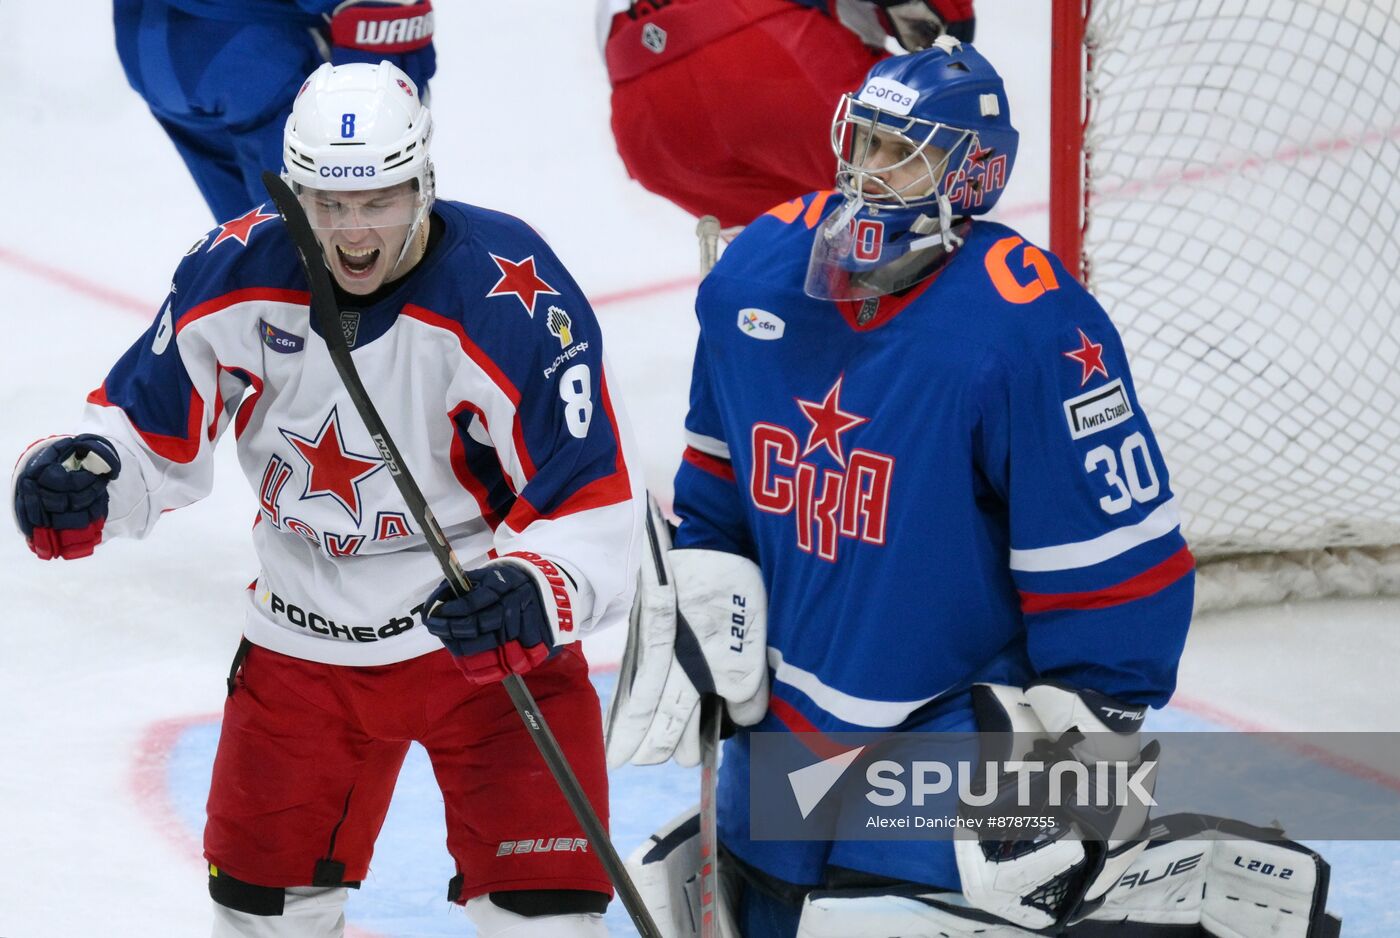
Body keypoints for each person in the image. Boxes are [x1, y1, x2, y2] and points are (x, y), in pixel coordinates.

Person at [12, 60, 643, 938]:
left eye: (379, 200)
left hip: (479, 643)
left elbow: (593, 497)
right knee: (262, 917)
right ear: (293, 190)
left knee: (547, 920)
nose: (352, 231)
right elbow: (144, 433)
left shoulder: (512, 292)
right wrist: (86, 472)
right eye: (327, 203)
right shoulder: (234, 268)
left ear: (424, 182)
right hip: (301, 646)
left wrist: (538, 585)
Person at [605, 38, 1201, 937]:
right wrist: (703, 581)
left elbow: (1117, 566)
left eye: (903, 153)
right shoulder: (755, 276)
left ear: (972, 175)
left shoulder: (1027, 326)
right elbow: (716, 488)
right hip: (783, 728)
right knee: (750, 905)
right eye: (864, 145)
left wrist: (1077, 768)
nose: (868, 175)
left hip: (949, 734)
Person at [599, 0, 974, 228]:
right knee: (933, 193)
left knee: (793, 263)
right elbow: (948, 22)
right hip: (770, 59)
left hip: (643, 111)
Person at [114, 0, 436, 223]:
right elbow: (380, 14)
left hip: (147, 42)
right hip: (254, 52)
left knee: (254, 260)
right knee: (334, 254)